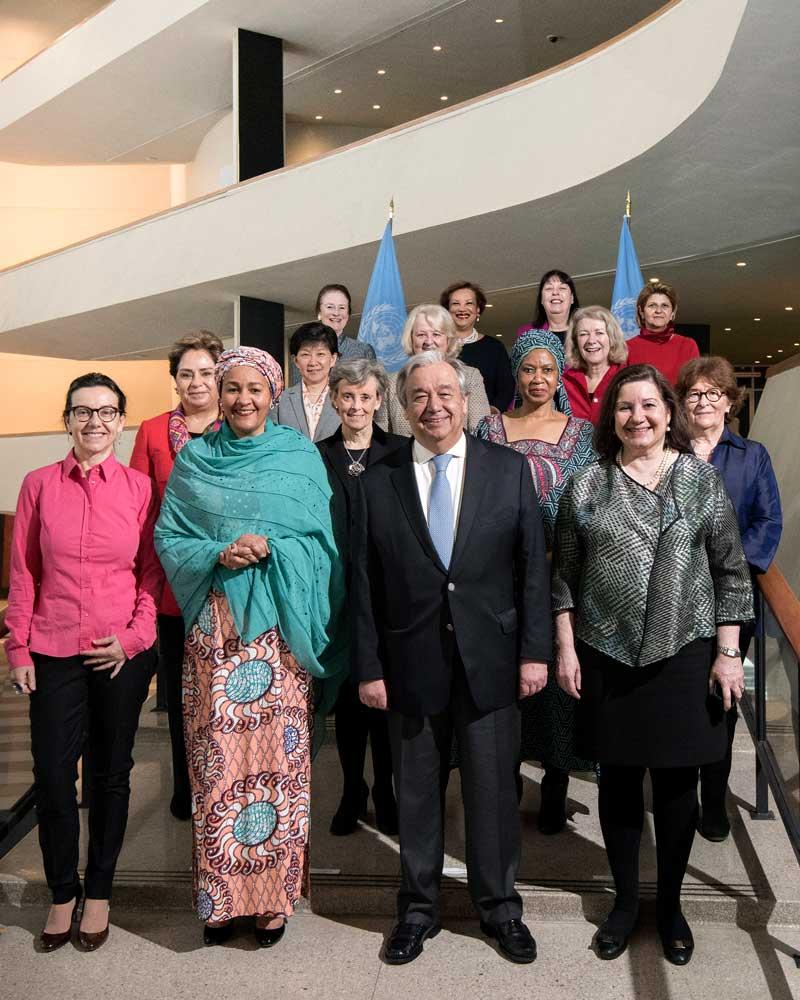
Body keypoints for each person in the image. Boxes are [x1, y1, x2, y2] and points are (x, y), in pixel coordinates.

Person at [354, 351, 552, 965]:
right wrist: (369, 666)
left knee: (494, 792)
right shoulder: (377, 478)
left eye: (445, 394)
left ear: (467, 402)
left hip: (491, 658)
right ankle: (417, 908)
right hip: (409, 661)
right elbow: (361, 580)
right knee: (415, 793)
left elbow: (533, 570)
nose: (433, 405)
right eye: (418, 396)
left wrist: (534, 654)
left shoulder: (509, 470)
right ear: (403, 406)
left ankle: (500, 908)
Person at [553, 363, 753, 966]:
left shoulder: (698, 480)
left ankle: (669, 906)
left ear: (669, 413)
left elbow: (731, 573)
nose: (636, 417)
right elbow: (560, 576)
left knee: (675, 790)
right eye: (623, 407)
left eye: (648, 406)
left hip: (686, 656)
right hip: (605, 655)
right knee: (616, 787)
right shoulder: (585, 485)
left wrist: (728, 654)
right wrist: (565, 647)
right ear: (610, 418)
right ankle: (624, 904)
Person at [154, 347, 348, 948]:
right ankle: (220, 899)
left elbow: (321, 543)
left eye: (255, 389)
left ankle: (272, 903)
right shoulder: (195, 458)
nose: (242, 400)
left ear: (274, 393)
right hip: (215, 636)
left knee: (278, 770)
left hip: (279, 639)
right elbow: (170, 535)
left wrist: (271, 547)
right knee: (217, 768)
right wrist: (217, 552)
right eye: (231, 388)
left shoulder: (298, 457)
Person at [5, 373, 162, 953]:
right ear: (66, 419)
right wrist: (18, 647)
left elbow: (150, 572)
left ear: (121, 420)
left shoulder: (140, 488)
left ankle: (99, 891)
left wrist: (134, 637)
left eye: (106, 412)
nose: (95, 422)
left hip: (118, 656)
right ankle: (61, 892)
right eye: (82, 412)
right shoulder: (38, 485)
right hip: (51, 652)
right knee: (51, 777)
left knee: (110, 776)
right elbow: (24, 574)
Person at [476, 329, 595, 833]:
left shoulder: (583, 433)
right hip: (502, 578)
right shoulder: (488, 427)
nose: (539, 378)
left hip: (562, 575)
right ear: (517, 374)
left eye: (548, 369)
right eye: (529, 369)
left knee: (558, 685)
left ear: (558, 374)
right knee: (508, 680)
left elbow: (591, 502)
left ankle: (558, 782)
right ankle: (508, 778)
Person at [676, 356, 782, 841]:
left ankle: (713, 799)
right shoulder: (669, 449)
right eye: (694, 394)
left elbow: (768, 521)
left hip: (730, 600)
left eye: (713, 393)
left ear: (729, 402)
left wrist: (736, 569)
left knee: (722, 698)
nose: (703, 402)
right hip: (673, 596)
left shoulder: (751, 454)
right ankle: (675, 791)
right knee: (676, 697)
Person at [129, 331, 223, 821]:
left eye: (206, 372)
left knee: (223, 690)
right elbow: (140, 514)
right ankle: (185, 782)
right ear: (175, 380)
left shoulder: (238, 425)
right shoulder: (151, 431)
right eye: (187, 373)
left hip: (230, 586)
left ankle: (223, 778)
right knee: (180, 690)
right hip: (172, 588)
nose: (197, 382)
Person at [318, 359, 406, 837]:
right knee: (350, 703)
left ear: (378, 400)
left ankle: (386, 789)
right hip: (337, 596)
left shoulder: (401, 453)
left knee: (386, 700)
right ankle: (353, 788)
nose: (356, 405)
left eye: (365, 396)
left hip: (390, 597)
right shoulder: (315, 454)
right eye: (347, 396)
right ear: (334, 399)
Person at [376, 304, 490, 436]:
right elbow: (381, 436)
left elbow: (481, 432)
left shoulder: (470, 377)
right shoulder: (391, 382)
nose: (429, 341)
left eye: (436, 334)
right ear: (411, 339)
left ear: (448, 339)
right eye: (421, 335)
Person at [439, 281, 515, 411]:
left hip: (483, 421)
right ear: (447, 310)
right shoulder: (437, 345)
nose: (462, 309)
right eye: (456, 303)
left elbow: (506, 388)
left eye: (469, 303)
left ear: (478, 310)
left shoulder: (494, 348)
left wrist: (491, 412)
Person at [289, 284, 376, 385]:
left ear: (348, 313)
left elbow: (373, 390)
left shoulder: (363, 350)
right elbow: (297, 389)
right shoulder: (301, 350)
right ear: (319, 312)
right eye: (330, 307)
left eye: (342, 308)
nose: (336, 313)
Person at [276, 322, 341, 441]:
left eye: (320, 354)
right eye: (305, 354)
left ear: (333, 359)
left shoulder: (345, 398)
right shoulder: (279, 401)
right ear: (295, 361)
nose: (313, 362)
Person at [562, 306, 628, 424]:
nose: (591, 340)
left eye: (599, 333)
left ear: (612, 339)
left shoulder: (627, 379)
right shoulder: (564, 383)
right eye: (583, 334)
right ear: (575, 342)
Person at [626, 282, 699, 385]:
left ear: (672, 312)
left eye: (664, 306)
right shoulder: (627, 348)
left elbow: (694, 387)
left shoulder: (688, 345)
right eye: (652, 306)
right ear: (641, 311)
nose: (658, 311)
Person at [516, 269, 580, 344]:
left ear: (572, 298)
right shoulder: (527, 333)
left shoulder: (586, 330)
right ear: (541, 299)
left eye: (562, 288)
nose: (555, 292)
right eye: (549, 288)